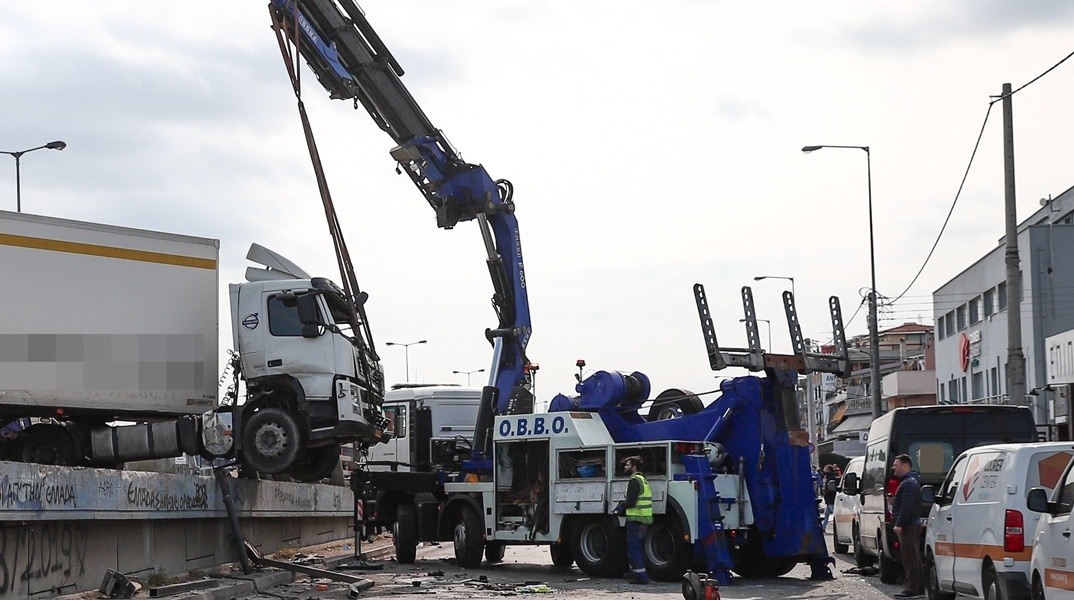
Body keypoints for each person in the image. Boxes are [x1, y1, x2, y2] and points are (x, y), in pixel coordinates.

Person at [614, 456, 652, 584]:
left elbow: (631, 502)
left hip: (636, 520)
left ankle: (641, 577)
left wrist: (621, 505)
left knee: (633, 548)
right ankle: (635, 572)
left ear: (634, 467)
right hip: (644, 519)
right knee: (637, 548)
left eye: (628, 465)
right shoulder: (643, 480)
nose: (625, 467)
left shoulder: (634, 481)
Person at [892, 454, 924, 599]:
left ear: (905, 466)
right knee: (914, 557)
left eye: (896, 465)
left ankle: (911, 590)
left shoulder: (908, 484)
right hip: (911, 523)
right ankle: (919, 589)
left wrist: (899, 523)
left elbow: (907, 506)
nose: (893, 467)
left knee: (909, 558)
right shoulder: (909, 483)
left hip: (909, 525)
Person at [820, 464, 840, 531]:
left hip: (831, 499)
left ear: (829, 470)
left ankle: (837, 528)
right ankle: (823, 527)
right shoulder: (829, 477)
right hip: (829, 500)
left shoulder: (831, 478)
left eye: (825, 469)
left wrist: (826, 493)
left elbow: (830, 489)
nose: (824, 471)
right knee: (826, 514)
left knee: (834, 514)